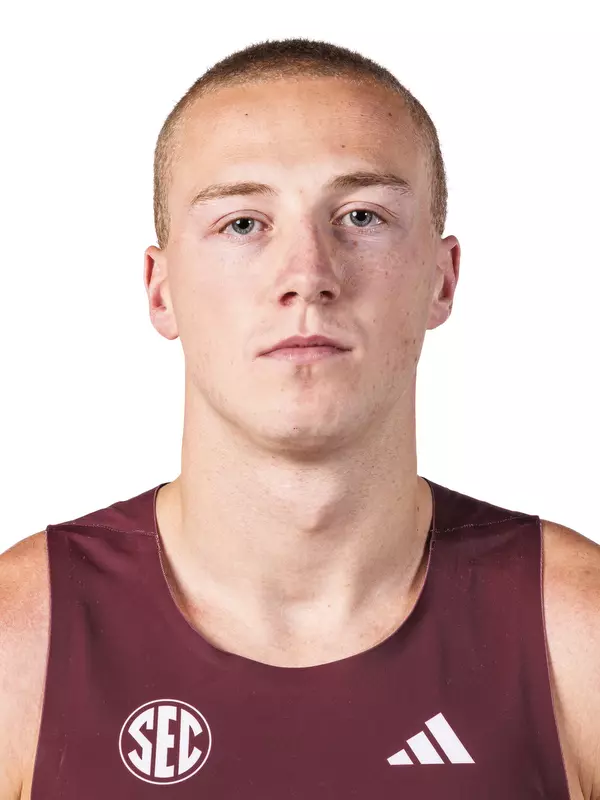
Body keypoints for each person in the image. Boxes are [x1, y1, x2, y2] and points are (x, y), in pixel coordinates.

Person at [1, 37, 598, 799]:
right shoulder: (21, 642)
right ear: (160, 291)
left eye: (361, 215)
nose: (308, 274)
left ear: (443, 280)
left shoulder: (576, 635)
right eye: (243, 224)